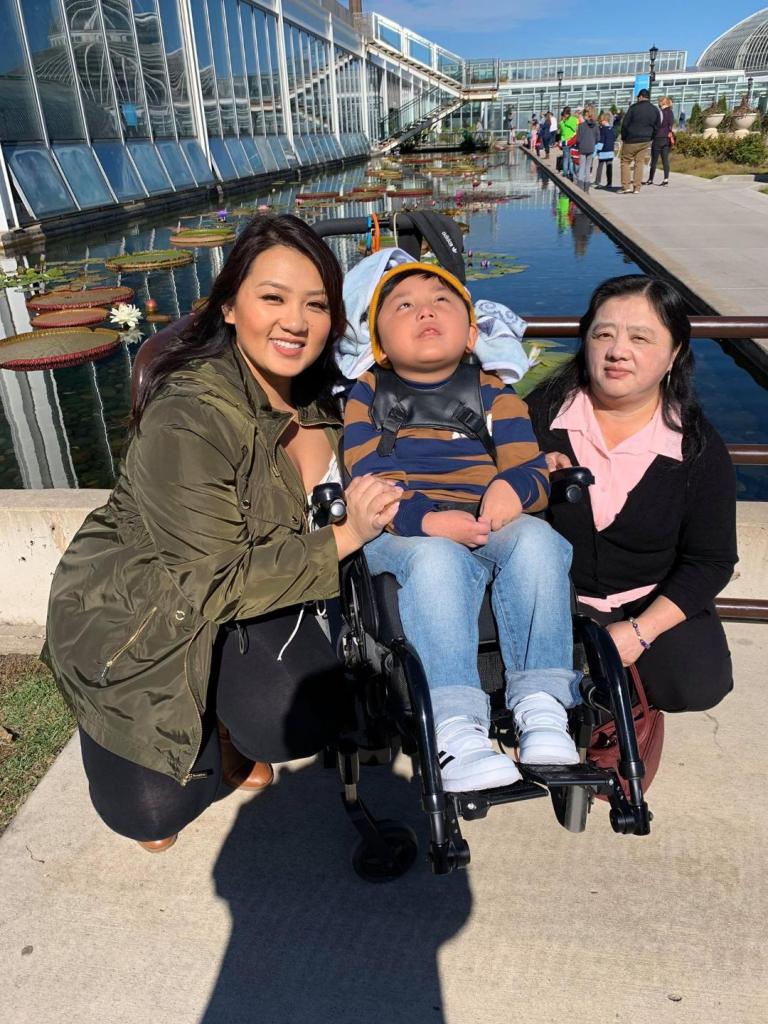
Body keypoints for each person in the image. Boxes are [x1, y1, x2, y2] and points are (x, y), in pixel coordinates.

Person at [41, 215, 401, 852]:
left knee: (299, 716)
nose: (296, 321)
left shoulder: (329, 398)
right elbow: (213, 580)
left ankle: (229, 727)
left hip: (244, 591)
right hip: (148, 612)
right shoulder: (188, 416)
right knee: (153, 813)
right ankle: (182, 726)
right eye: (273, 297)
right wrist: (346, 538)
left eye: (316, 304)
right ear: (230, 307)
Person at [343, 263, 581, 793]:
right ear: (380, 344)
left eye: (440, 301)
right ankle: (454, 726)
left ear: (471, 333)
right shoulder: (367, 393)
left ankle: (541, 704)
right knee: (437, 557)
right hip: (401, 527)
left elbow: (528, 467)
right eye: (404, 305)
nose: (425, 311)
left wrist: (512, 489)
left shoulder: (494, 392)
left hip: (487, 517)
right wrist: (426, 519)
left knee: (540, 540)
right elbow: (367, 476)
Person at [526, 275, 736, 715]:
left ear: (674, 353)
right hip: (555, 598)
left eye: (640, 338)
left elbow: (711, 560)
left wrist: (641, 631)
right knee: (541, 693)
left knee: (695, 684)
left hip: (649, 595)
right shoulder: (535, 419)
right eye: (603, 334)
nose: (617, 351)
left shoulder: (696, 447)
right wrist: (523, 479)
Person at [619, 88, 660, 194]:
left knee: (625, 161)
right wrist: (651, 137)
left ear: (641, 97)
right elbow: (657, 126)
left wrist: (624, 137)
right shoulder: (654, 109)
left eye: (638, 97)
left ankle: (626, 186)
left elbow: (625, 124)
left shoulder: (633, 108)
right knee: (640, 162)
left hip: (631, 139)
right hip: (645, 140)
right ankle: (637, 187)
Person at [647, 96, 674, 186]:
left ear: (662, 102)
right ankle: (666, 179)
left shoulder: (660, 112)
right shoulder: (671, 112)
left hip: (658, 137)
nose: (658, 103)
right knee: (665, 160)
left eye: (659, 101)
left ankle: (650, 179)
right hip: (666, 138)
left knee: (654, 160)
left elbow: (657, 125)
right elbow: (670, 125)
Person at [575, 105, 600, 192]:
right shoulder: (596, 126)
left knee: (582, 167)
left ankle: (580, 188)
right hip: (591, 148)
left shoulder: (581, 125)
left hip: (582, 148)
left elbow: (578, 139)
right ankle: (587, 189)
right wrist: (593, 142)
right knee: (588, 168)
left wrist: (579, 144)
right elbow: (598, 138)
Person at [595, 111, 616, 189]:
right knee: (609, 167)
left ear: (604, 120)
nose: (600, 122)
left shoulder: (602, 129)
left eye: (601, 121)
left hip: (603, 151)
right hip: (610, 151)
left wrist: (597, 150)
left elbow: (601, 141)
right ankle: (609, 182)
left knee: (600, 166)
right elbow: (613, 138)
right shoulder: (612, 129)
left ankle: (598, 181)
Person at [559, 106, 579, 180]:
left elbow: (561, 132)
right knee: (571, 159)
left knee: (565, 158)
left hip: (565, 141)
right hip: (572, 141)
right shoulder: (574, 119)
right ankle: (571, 173)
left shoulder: (561, 122)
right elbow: (577, 129)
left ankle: (565, 173)